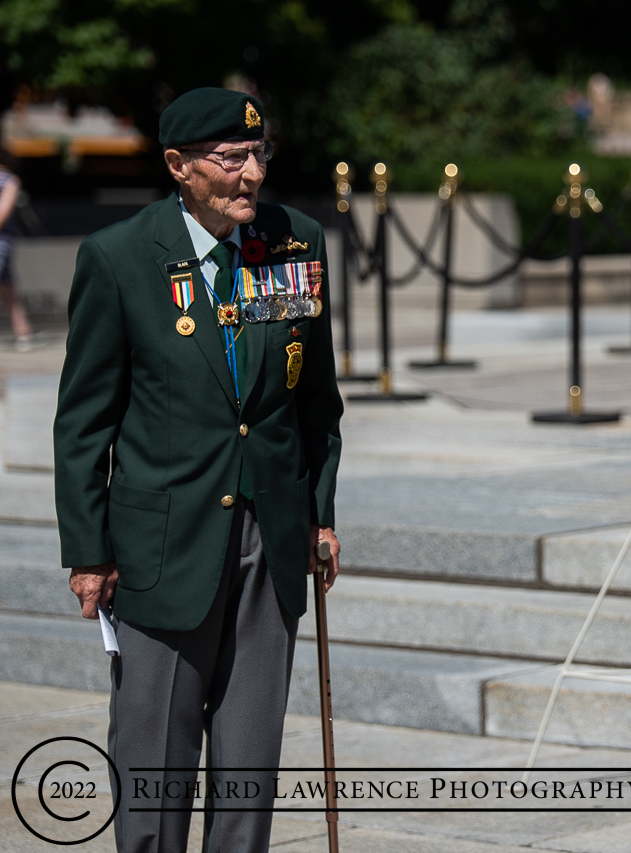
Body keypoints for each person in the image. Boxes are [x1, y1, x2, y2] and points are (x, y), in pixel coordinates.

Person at [53, 87, 344, 853]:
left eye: (259, 155)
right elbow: (85, 419)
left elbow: (316, 400)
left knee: (249, 760)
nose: (250, 174)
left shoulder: (296, 243)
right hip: (163, 540)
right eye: (231, 159)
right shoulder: (119, 258)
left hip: (270, 536)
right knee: (154, 752)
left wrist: (320, 512)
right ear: (179, 166)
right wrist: (89, 550)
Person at [0, 150, 38, 351]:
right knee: (8, 287)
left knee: (8, 287)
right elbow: (3, 213)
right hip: (2, 242)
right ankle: (23, 332)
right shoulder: (9, 180)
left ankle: (23, 331)